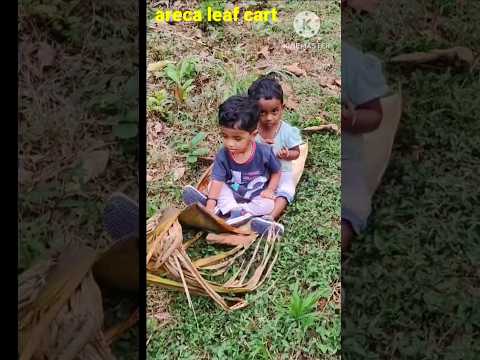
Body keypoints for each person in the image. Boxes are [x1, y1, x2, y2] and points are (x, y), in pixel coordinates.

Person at [183, 95, 284, 235]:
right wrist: (211, 204)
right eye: (225, 136)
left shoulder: (265, 153)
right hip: (233, 190)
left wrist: (270, 190)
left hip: (255, 195)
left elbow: (276, 172)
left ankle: (233, 213)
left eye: (237, 138)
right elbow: (218, 180)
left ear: (253, 135)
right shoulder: (223, 155)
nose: (230, 143)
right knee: (214, 185)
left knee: (268, 204)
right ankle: (223, 211)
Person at [341, 42, 390, 253]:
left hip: (342, 158)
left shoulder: (350, 61)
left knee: (350, 204)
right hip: (284, 149)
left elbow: (375, 115)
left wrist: (350, 119)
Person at [247, 76, 303, 221]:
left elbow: (297, 153)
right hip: (258, 172)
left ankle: (270, 217)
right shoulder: (251, 130)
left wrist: (287, 154)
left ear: (282, 108)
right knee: (241, 183)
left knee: (286, 190)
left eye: (274, 111)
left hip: (282, 171)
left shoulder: (287, 131)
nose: (269, 118)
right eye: (262, 113)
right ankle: (225, 204)